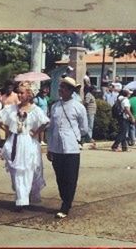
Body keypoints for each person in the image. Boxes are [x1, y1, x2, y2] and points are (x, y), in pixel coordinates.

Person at [0, 81, 49, 211]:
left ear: (29, 94)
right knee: (15, 172)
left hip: (28, 143)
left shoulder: (35, 110)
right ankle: (21, 196)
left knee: (26, 170)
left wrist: (35, 133)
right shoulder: (12, 108)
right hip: (14, 142)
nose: (19, 95)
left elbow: (45, 122)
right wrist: (8, 130)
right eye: (18, 92)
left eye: (22, 93)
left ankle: (22, 200)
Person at [47, 77, 89, 218]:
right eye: (60, 88)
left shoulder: (78, 107)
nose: (61, 90)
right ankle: (65, 199)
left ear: (71, 91)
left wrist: (74, 136)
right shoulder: (55, 106)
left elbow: (84, 128)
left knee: (70, 178)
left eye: (64, 88)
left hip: (71, 147)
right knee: (60, 178)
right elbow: (52, 128)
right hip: (57, 148)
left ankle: (66, 205)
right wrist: (49, 148)